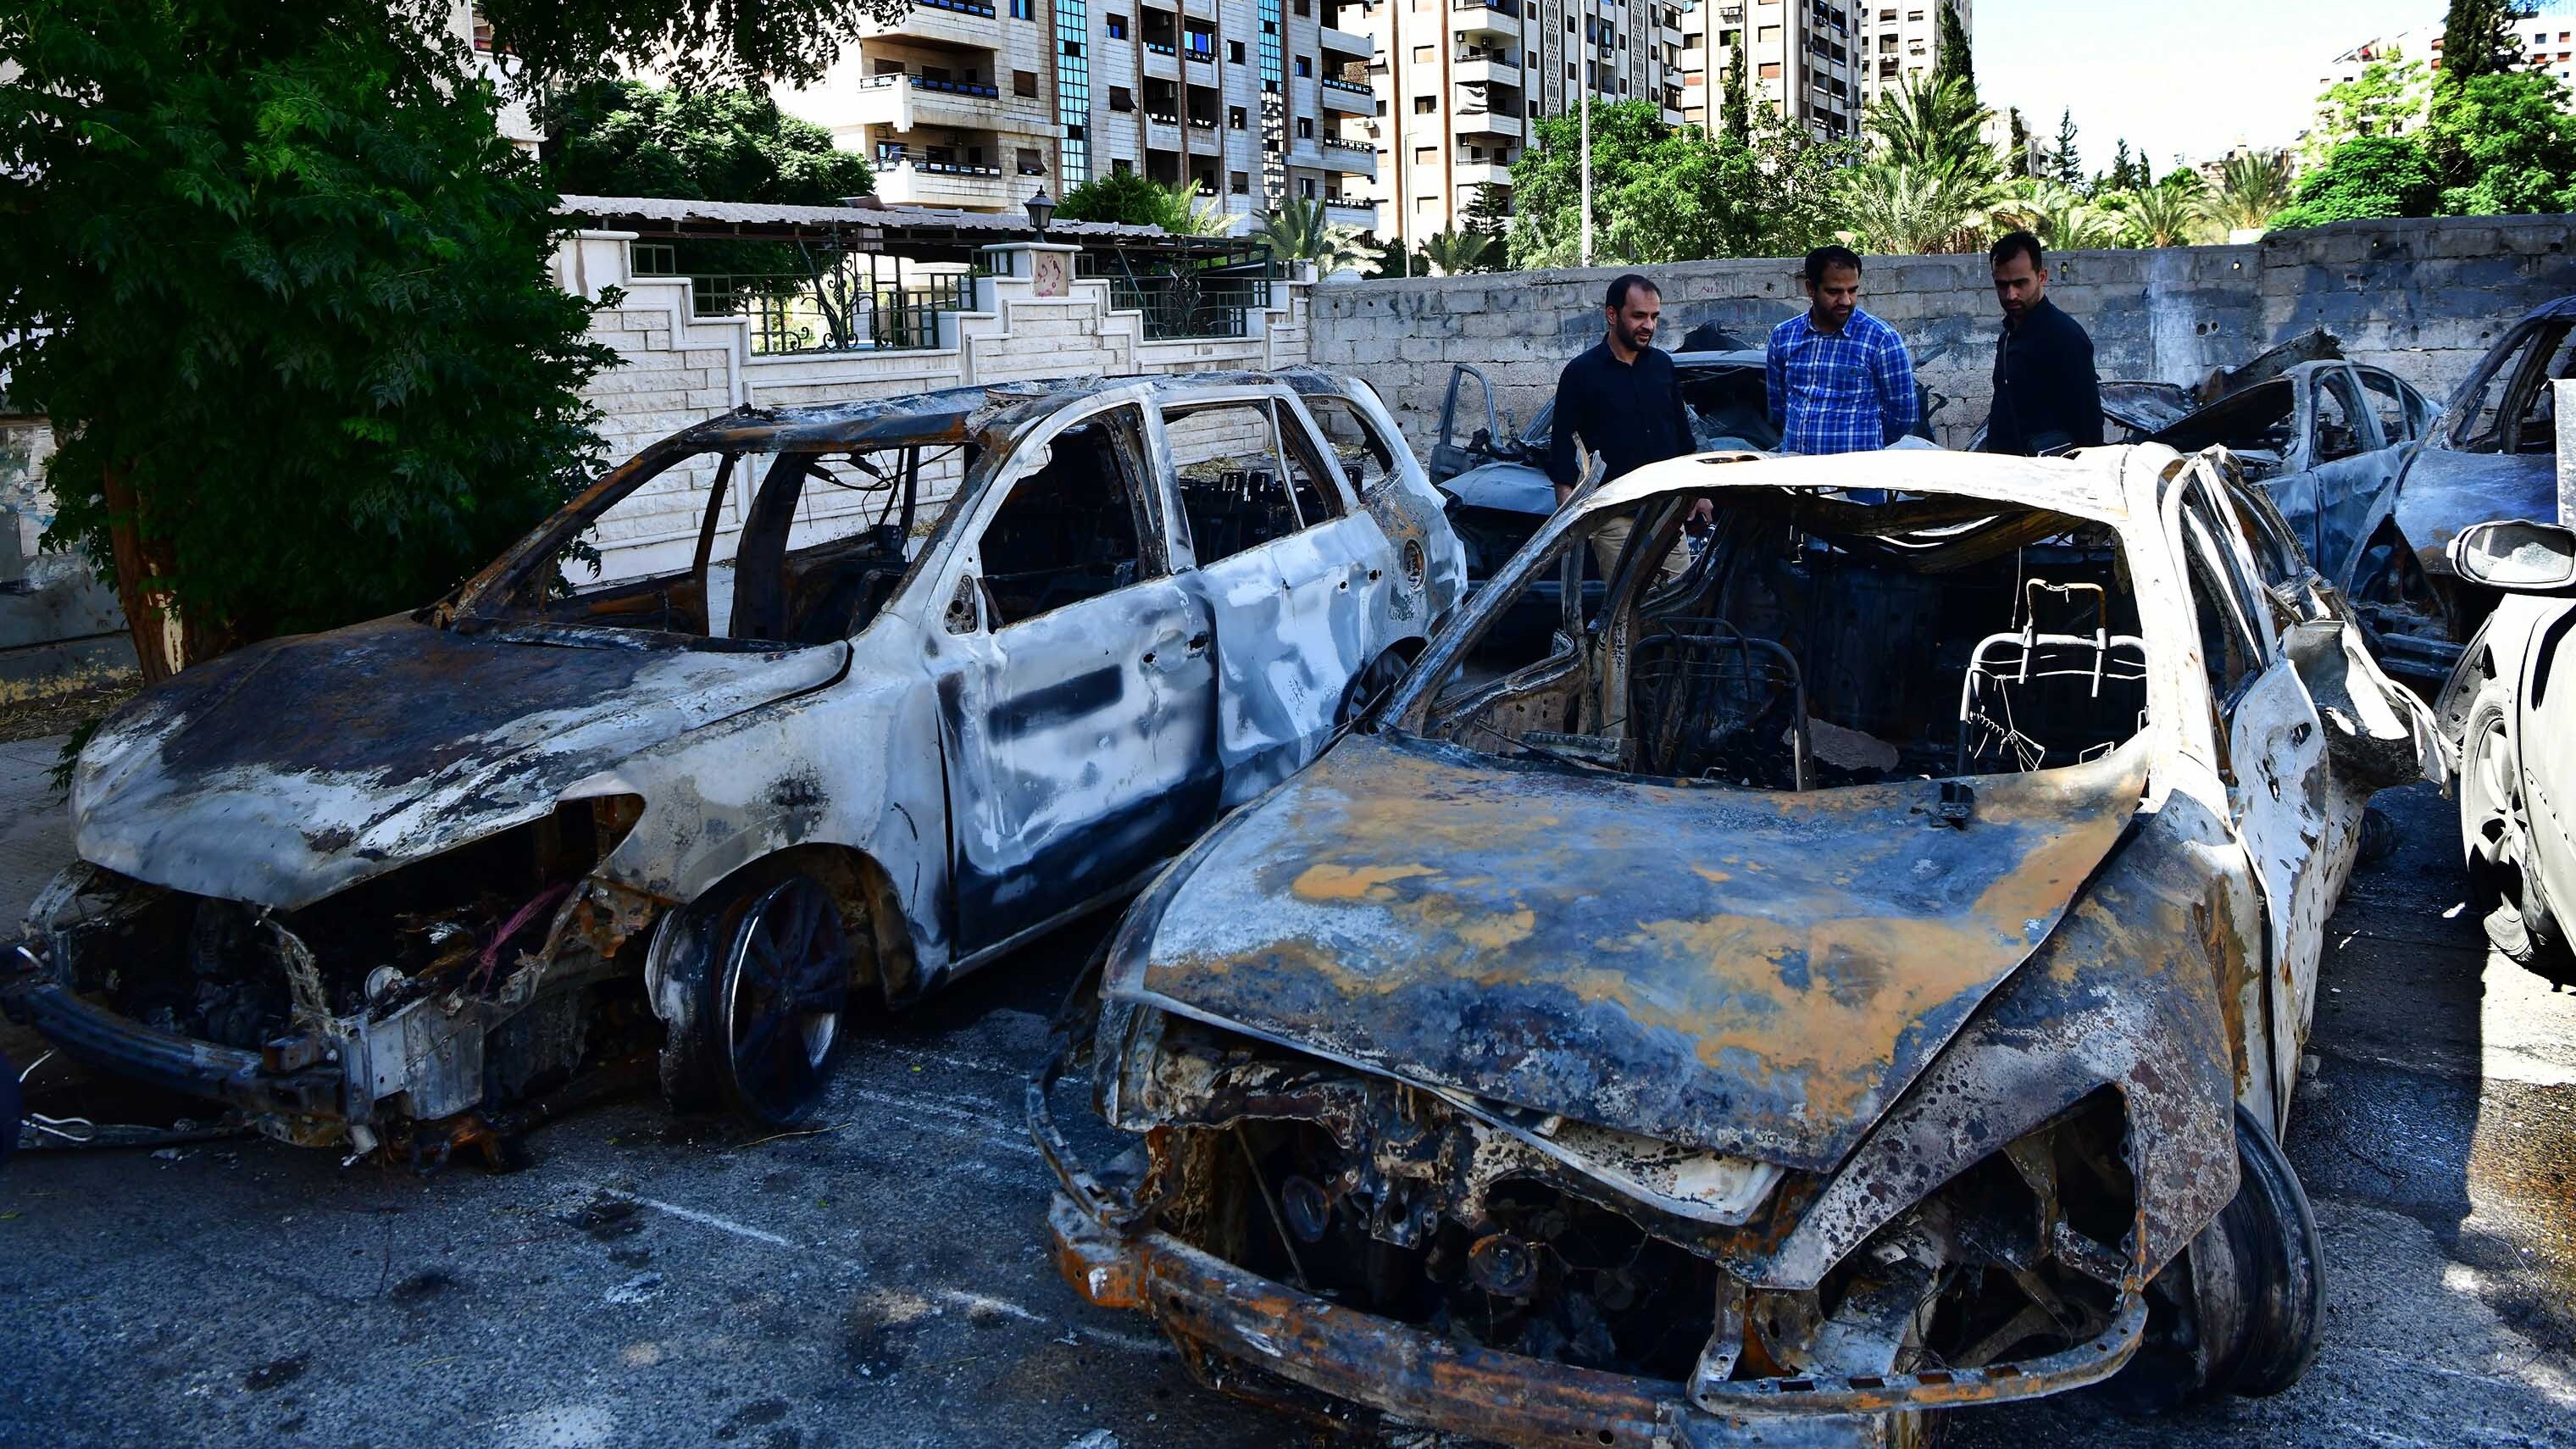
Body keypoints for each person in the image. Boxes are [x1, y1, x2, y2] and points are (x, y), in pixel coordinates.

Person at [1547, 274, 1701, 577]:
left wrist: (1699, 494)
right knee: (1625, 611)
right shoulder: (1582, 373)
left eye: (1655, 316)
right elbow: (1562, 446)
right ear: (1612, 315)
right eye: (1639, 316)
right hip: (1613, 516)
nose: (1649, 326)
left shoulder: (1662, 366)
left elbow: (1682, 435)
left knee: (1676, 606)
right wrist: (1568, 513)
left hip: (1666, 513)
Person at [1765, 246, 1919, 456]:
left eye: (1853, 290)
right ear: (1811, 288)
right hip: (1798, 475)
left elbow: (1903, 414)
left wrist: (1866, 445)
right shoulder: (1783, 336)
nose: (1846, 301)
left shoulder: (1881, 339)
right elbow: (1778, 405)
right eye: (1834, 292)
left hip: (1859, 480)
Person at [1979, 230, 2104, 457]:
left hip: (2049, 481)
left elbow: (2090, 430)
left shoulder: (2065, 337)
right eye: (2002, 284)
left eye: (2020, 283)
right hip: (2007, 477)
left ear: (2042, 276)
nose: (2011, 295)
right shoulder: (2008, 336)